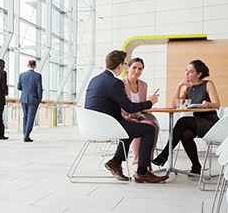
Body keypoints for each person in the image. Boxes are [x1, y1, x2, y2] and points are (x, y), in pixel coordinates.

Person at [85, 50, 168, 183]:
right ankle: (142, 172)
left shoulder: (95, 80)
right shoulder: (115, 82)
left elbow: (104, 106)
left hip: (92, 126)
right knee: (149, 129)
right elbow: (129, 107)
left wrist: (124, 119)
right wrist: (150, 102)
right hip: (107, 126)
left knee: (130, 127)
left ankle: (116, 162)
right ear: (120, 66)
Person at [152, 59, 220, 174]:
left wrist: (207, 104)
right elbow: (174, 105)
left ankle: (164, 155)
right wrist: (179, 86)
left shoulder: (208, 84)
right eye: (186, 70)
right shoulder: (187, 88)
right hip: (197, 122)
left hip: (210, 123)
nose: (186, 73)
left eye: (191, 72)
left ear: (199, 74)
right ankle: (196, 166)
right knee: (185, 134)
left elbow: (217, 104)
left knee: (183, 121)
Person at [121, 57, 160, 171]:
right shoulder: (120, 84)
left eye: (140, 69)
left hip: (138, 115)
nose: (137, 71)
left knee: (153, 125)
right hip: (125, 117)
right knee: (141, 127)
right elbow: (119, 106)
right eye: (134, 68)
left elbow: (142, 107)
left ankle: (147, 161)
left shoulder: (143, 85)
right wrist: (127, 118)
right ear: (128, 68)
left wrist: (149, 102)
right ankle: (137, 162)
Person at [17, 60, 43, 142]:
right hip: (33, 99)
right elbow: (39, 89)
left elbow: (19, 87)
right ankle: (26, 135)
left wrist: (25, 90)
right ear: (35, 66)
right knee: (30, 117)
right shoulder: (37, 76)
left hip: (24, 99)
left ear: (28, 65)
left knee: (25, 117)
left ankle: (25, 134)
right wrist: (39, 99)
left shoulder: (22, 75)